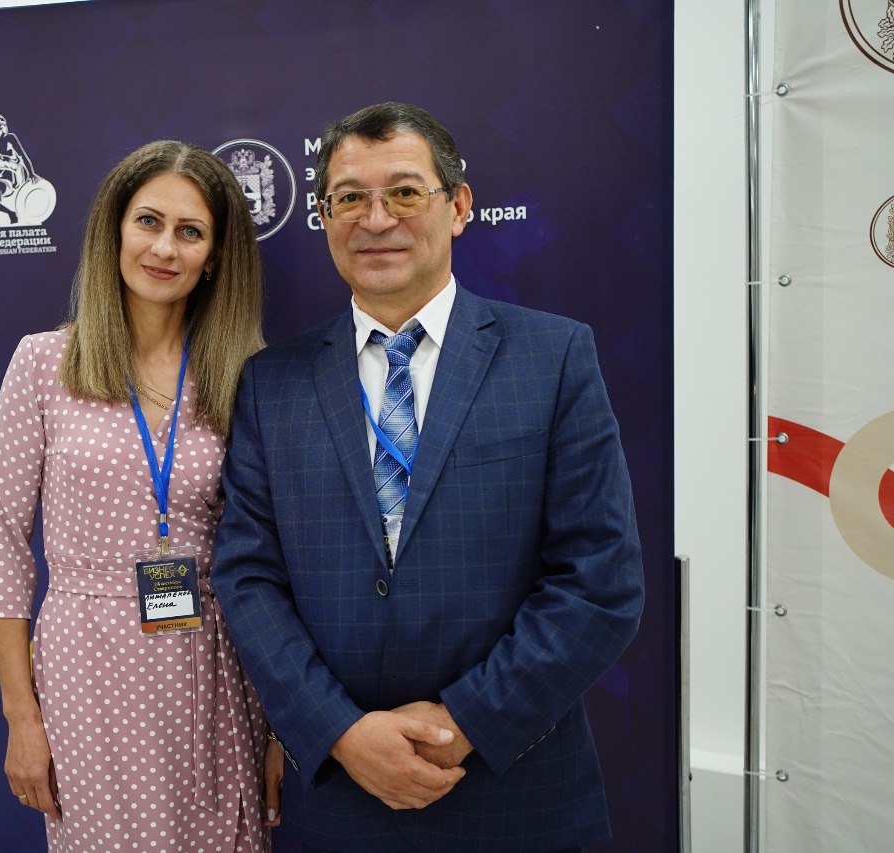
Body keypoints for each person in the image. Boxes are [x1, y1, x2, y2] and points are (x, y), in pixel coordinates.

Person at [212, 102, 645, 852]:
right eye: (350, 197)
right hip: (340, 797)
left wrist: (462, 723)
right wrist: (340, 731)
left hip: (513, 790)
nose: (376, 218)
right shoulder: (270, 383)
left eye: (406, 192)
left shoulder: (553, 358)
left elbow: (598, 581)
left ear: (460, 206)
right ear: (324, 216)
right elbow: (248, 577)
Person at [0, 140, 281, 853]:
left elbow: (277, 559)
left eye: (190, 231)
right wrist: (22, 717)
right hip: (87, 666)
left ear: (215, 256)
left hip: (216, 663)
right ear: (114, 229)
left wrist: (280, 730)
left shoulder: (247, 374)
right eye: (148, 221)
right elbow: (3, 549)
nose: (165, 248)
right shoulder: (43, 362)